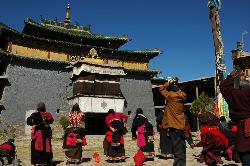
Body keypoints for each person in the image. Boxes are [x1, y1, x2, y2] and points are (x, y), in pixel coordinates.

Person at [219, 70, 250, 165]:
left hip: (244, 129)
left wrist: (230, 78)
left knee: (246, 152)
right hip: (244, 127)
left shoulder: (236, 95)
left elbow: (223, 87)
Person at [159, 77, 187, 165]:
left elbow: (161, 89)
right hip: (181, 126)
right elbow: (181, 93)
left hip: (174, 127)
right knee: (181, 149)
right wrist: (177, 89)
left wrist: (168, 83)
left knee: (177, 150)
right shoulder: (182, 97)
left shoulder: (171, 97)